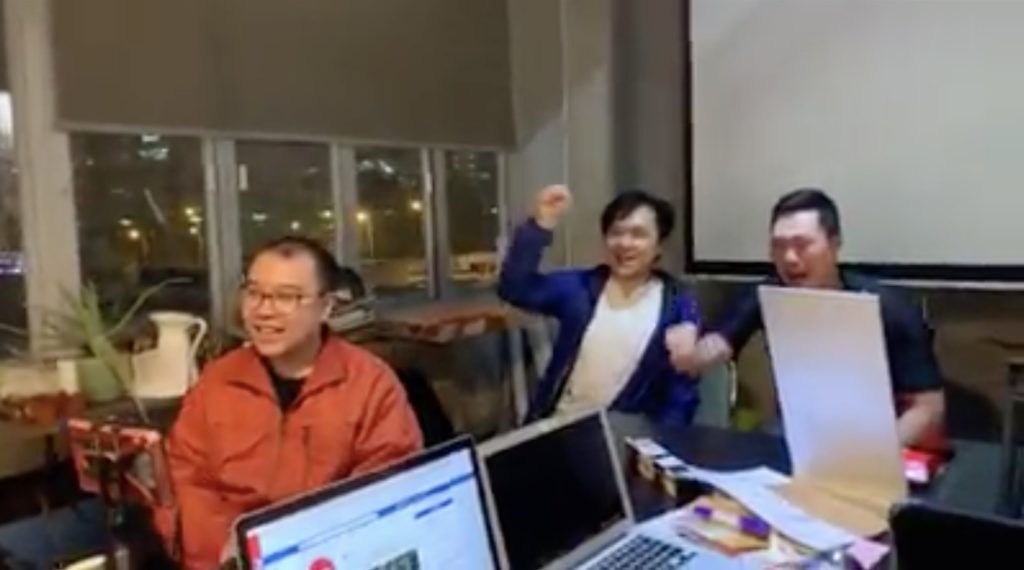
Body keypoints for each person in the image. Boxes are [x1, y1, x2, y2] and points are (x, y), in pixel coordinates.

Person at [155, 236, 422, 569]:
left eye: (286, 297)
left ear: (326, 307)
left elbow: (386, 491)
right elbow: (188, 483)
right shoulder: (217, 382)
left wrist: (297, 550)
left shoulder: (369, 384)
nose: (264, 310)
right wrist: (234, 551)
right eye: (253, 293)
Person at [687, 188, 945, 448]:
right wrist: (692, 351)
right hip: (794, 430)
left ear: (834, 244)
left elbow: (929, 407)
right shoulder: (767, 294)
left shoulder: (889, 307)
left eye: (802, 245)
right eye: (779, 246)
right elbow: (719, 343)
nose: (789, 258)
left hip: (879, 437)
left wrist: (878, 456)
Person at [498, 185, 701, 428]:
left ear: (659, 246)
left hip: (620, 438)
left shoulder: (677, 307)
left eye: (638, 234)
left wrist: (663, 448)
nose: (625, 243)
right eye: (615, 233)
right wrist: (539, 227)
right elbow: (515, 288)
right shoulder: (580, 288)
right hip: (556, 427)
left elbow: (680, 394)